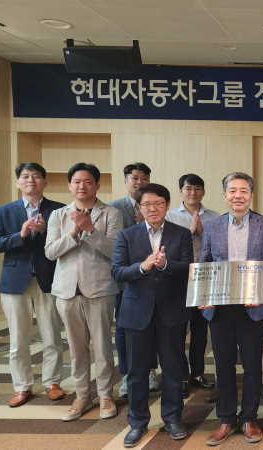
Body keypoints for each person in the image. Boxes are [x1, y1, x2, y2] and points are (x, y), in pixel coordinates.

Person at [200, 172, 263, 446]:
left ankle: (249, 418)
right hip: (220, 308)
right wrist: (204, 294)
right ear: (225, 195)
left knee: (252, 364)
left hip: (252, 307)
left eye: (244, 191)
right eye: (233, 190)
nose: (238, 195)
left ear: (251, 195)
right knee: (223, 365)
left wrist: (258, 290)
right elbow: (205, 264)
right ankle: (226, 419)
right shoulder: (212, 226)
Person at [111, 183, 194, 447]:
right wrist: (143, 267)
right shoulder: (127, 235)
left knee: (173, 369)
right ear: (139, 207)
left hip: (172, 311)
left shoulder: (181, 234)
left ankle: (172, 419)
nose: (153, 208)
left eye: (158, 203)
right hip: (136, 313)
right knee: (136, 372)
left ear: (167, 205)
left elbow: (188, 268)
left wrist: (166, 264)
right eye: (147, 204)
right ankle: (137, 423)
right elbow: (117, 272)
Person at [45, 163, 123, 422]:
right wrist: (74, 232)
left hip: (100, 289)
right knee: (76, 348)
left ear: (98, 185)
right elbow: (50, 252)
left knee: (102, 346)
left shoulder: (111, 213)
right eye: (77, 181)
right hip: (66, 291)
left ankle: (105, 394)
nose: (82, 186)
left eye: (88, 181)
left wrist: (90, 229)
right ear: (69, 185)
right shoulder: (58, 215)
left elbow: (115, 251)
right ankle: (81, 395)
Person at [0, 163, 65, 407]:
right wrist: (21, 235)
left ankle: (52, 382)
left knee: (52, 337)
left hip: (49, 280)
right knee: (18, 340)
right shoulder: (4, 211)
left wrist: (46, 232)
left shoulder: (59, 209)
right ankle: (22, 386)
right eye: (25, 176)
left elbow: (66, 243)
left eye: (36, 176)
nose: (31, 180)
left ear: (45, 182)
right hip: (15, 282)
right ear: (18, 183)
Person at [164, 174, 219, 398]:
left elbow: (219, 247)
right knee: (177, 331)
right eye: (188, 188)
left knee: (200, 331)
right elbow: (166, 246)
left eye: (197, 188)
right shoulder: (170, 216)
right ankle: (181, 376)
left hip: (205, 280)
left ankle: (197, 373)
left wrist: (202, 232)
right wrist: (189, 233)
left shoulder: (214, 217)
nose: (193, 193)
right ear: (180, 192)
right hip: (178, 279)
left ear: (203, 192)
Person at [109, 162, 158, 397]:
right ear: (126, 181)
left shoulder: (156, 206)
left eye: (144, 178)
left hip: (153, 280)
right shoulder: (113, 208)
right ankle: (127, 374)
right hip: (125, 280)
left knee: (153, 326)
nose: (139, 182)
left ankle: (150, 370)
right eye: (135, 178)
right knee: (123, 328)